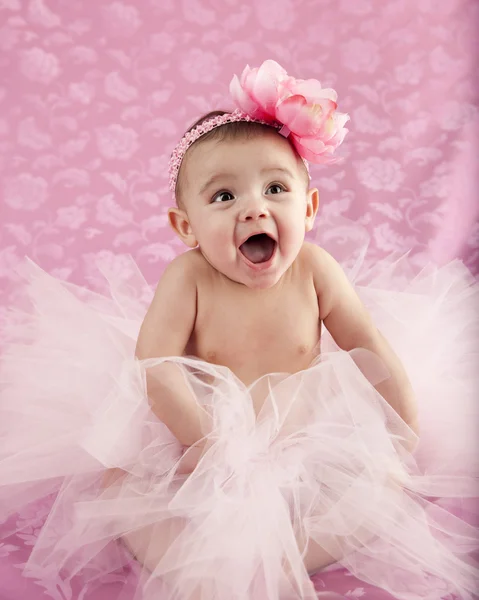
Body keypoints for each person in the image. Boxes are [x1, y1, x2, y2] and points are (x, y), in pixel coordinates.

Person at [0, 60, 477, 600]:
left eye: (275, 189)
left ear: (310, 207)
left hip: (302, 434)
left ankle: (287, 555)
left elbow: (367, 345)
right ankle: (191, 565)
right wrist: (206, 445)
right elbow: (155, 367)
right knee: (122, 485)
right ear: (187, 227)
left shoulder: (316, 271)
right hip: (200, 432)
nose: (254, 209)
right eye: (224, 197)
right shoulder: (189, 278)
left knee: (381, 488)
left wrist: (402, 423)